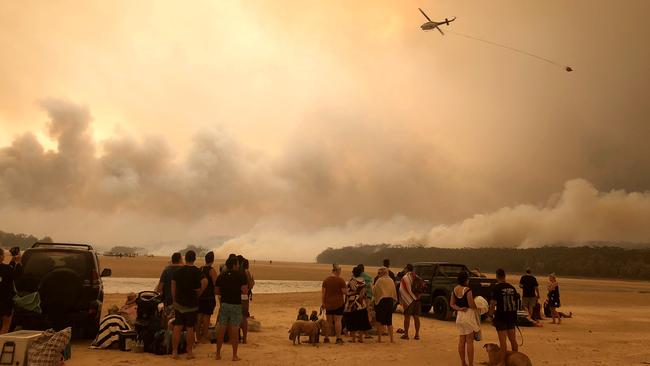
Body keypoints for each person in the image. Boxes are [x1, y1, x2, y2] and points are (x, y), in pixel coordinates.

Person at [171, 250, 207, 360]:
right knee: (190, 328)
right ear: (194, 259)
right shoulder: (197, 271)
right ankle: (189, 352)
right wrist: (200, 292)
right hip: (192, 304)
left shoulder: (178, 271)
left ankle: (175, 352)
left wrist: (174, 300)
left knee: (177, 327)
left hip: (179, 303)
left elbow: (173, 287)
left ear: (185, 258)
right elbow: (205, 281)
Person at [214, 256, 248, 361]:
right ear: (234, 265)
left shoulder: (221, 276)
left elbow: (216, 291)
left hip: (224, 304)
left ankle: (218, 354)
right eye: (237, 264)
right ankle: (234, 355)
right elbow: (245, 291)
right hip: (236, 305)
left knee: (221, 329)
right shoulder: (241, 276)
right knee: (234, 329)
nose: (238, 266)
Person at [488, 269, 519, 366]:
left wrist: (490, 315)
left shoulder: (496, 288)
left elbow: (493, 303)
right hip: (512, 315)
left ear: (497, 276)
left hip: (501, 316)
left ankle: (502, 362)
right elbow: (516, 301)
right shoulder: (512, 288)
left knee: (503, 341)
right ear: (504, 276)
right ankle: (516, 357)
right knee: (513, 339)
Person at [451, 271, 480, 366]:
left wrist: (459, 308)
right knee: (469, 342)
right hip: (468, 316)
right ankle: (471, 364)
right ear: (466, 279)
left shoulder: (455, 289)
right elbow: (471, 304)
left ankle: (463, 362)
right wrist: (479, 307)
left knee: (461, 341)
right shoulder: (468, 290)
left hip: (459, 316)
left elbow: (452, 304)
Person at [343, 266, 372, 343]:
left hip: (352, 303)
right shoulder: (362, 280)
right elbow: (364, 292)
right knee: (361, 321)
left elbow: (347, 292)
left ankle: (353, 339)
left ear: (353, 273)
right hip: (361, 303)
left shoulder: (351, 281)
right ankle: (361, 338)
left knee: (352, 321)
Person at [321, 264, 347, 344]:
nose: (340, 272)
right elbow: (344, 292)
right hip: (339, 303)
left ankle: (326, 338)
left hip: (328, 303)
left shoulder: (326, 280)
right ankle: (338, 338)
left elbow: (323, 294)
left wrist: (323, 303)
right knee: (337, 321)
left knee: (328, 321)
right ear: (337, 271)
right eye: (340, 271)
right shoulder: (341, 280)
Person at [155, 252, 183, 321]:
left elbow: (159, 289)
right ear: (180, 260)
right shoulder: (183, 270)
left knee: (168, 321)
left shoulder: (166, 271)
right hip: (181, 301)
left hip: (168, 301)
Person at [197, 251, 218, 343]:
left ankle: (197, 336)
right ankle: (204, 337)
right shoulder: (212, 270)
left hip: (200, 296)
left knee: (199, 317)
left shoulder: (200, 269)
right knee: (206, 318)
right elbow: (215, 284)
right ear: (212, 260)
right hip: (209, 297)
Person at [372, 267, 397, 343]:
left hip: (381, 301)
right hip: (389, 301)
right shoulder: (391, 280)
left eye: (379, 273)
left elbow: (375, 290)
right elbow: (393, 291)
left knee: (379, 320)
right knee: (389, 321)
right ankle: (391, 339)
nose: (378, 275)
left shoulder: (380, 280)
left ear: (382, 273)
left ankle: (379, 339)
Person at [0, 248, 21, 334]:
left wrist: (12, 262)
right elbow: (17, 275)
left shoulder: (7, 268)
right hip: (5, 302)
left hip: (5, 302)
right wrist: (18, 262)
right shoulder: (7, 269)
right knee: (5, 325)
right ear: (1, 257)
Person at [399, 264, 422, 340]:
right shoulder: (417, 276)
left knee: (407, 317)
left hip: (408, 300)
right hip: (417, 300)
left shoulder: (405, 278)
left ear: (406, 269)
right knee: (416, 317)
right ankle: (417, 334)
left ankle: (406, 334)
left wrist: (402, 299)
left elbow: (402, 290)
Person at [240, 257, 255, 344]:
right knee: (244, 317)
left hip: (237, 297)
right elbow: (250, 285)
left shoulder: (237, 271)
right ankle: (244, 339)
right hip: (244, 297)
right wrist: (253, 282)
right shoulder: (246, 272)